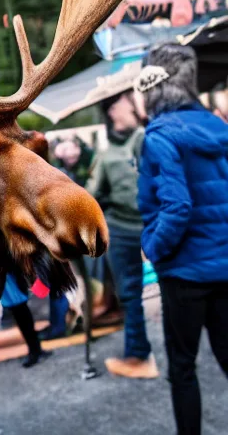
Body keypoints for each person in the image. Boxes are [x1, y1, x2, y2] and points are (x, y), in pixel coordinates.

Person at [133, 44, 228, 435]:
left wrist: (152, 248)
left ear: (150, 88)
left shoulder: (159, 138)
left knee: (183, 368)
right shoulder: (220, 128)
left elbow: (177, 207)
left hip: (185, 274)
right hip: (224, 267)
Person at [86, 74, 158, 379]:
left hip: (154, 224)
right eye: (126, 100)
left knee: (177, 284)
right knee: (129, 294)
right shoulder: (105, 154)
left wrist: (143, 113)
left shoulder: (146, 138)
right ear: (114, 110)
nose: (131, 104)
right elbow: (92, 194)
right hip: (121, 229)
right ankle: (138, 355)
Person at [1, 272, 51, 367]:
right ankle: (35, 350)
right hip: (9, 285)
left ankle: (35, 351)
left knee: (25, 321)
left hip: (11, 284)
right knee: (24, 321)